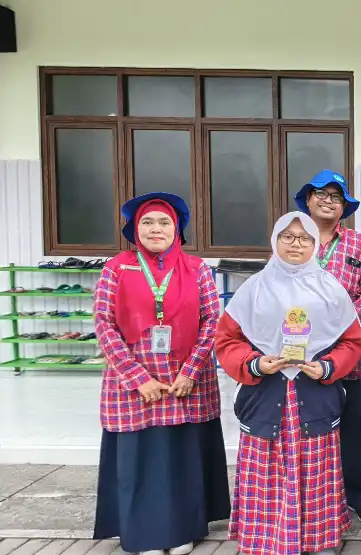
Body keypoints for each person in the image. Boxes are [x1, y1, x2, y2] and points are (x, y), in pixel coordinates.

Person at [216, 212, 361, 555]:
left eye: (304, 238)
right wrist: (255, 363)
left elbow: (352, 342)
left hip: (314, 394)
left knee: (317, 471)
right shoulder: (254, 288)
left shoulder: (330, 287)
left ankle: (319, 539)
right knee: (265, 471)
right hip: (266, 395)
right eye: (288, 237)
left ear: (315, 243)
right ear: (275, 241)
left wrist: (328, 367)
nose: (296, 244)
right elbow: (227, 341)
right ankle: (265, 540)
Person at [93, 192, 230, 555]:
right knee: (140, 457)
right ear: (134, 229)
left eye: (164, 222)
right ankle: (143, 535)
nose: (156, 229)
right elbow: (104, 325)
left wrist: (191, 372)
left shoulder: (198, 269)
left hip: (186, 379)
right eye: (148, 222)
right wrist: (138, 378)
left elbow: (212, 322)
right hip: (133, 379)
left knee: (180, 456)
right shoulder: (116, 268)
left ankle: (184, 529)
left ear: (178, 229)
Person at [294, 169, 361, 524]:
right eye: (322, 194)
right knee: (306, 430)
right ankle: (311, 498)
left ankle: (360, 496)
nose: (329, 201)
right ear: (309, 199)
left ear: (344, 206)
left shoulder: (358, 243)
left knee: (353, 429)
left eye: (336, 196)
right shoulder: (294, 237)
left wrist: (342, 329)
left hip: (349, 357)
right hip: (300, 355)